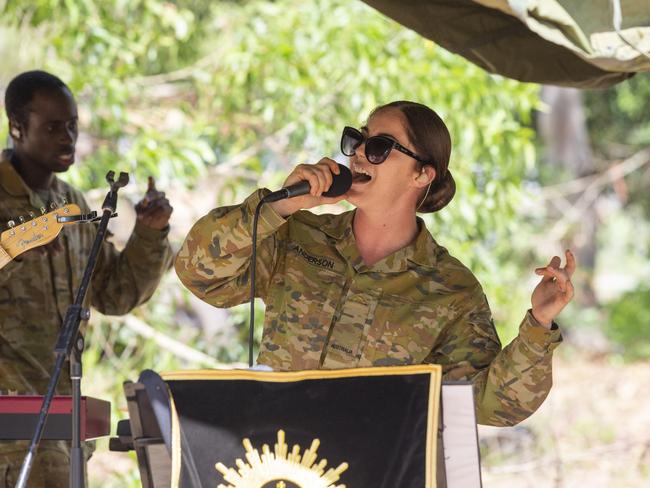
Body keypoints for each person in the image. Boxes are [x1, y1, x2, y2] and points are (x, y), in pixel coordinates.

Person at [175, 100, 574, 428]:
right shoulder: (296, 235)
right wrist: (280, 205)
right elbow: (198, 272)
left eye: (380, 146)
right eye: (358, 140)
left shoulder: (451, 290)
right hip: (274, 461)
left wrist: (538, 325)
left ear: (422, 173)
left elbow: (494, 405)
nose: (360, 153)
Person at [0, 70, 173, 486]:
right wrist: (11, 250)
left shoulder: (71, 204)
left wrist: (149, 235)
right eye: (54, 126)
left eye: (73, 125)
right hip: (10, 420)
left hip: (62, 413)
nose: (68, 137)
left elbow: (114, 294)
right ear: (18, 128)